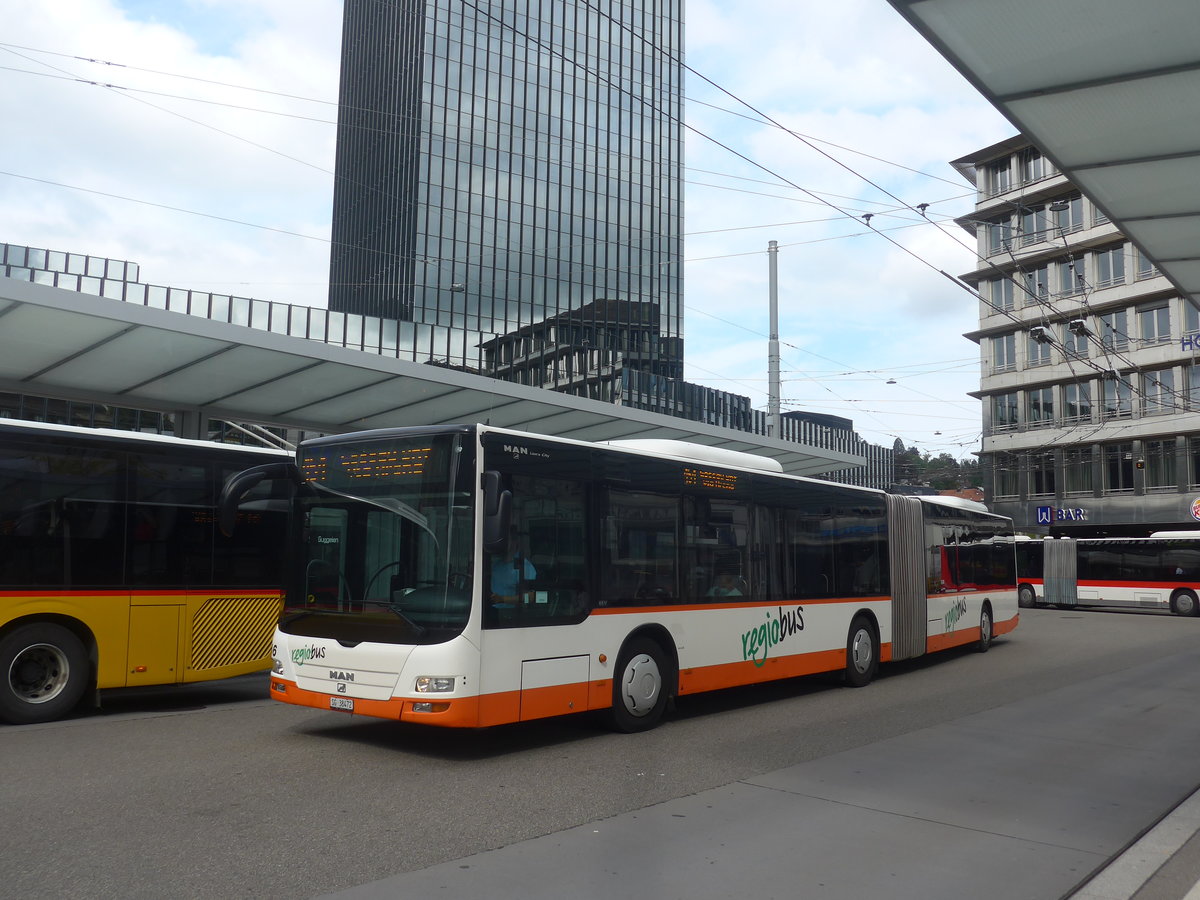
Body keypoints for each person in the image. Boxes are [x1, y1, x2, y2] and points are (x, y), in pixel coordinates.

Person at [491, 532, 536, 606]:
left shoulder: (525, 566)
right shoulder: (495, 564)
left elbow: (531, 597)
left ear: (514, 543)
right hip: (489, 612)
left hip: (511, 614)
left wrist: (502, 599)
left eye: (504, 540)